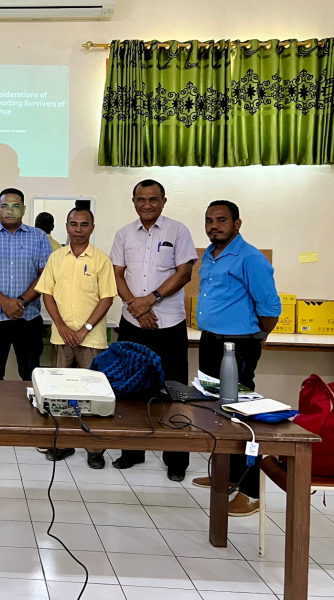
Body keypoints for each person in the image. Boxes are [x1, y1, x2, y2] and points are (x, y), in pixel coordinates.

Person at [190, 200, 280, 516]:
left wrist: (255, 340)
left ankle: (252, 491)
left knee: (240, 415)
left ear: (237, 224)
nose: (214, 225)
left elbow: (270, 309)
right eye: (209, 220)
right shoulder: (211, 255)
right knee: (215, 410)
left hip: (237, 345)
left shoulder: (250, 258)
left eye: (221, 220)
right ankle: (227, 476)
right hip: (211, 340)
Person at [110, 180, 198, 482]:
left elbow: (185, 272)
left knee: (174, 392)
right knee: (130, 390)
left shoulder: (178, 231)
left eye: (153, 199)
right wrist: (136, 306)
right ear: (133, 201)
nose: (147, 205)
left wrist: (151, 300)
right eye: (141, 199)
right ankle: (132, 452)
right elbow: (117, 274)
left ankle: (176, 459)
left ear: (163, 201)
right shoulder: (123, 233)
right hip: (133, 323)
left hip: (168, 324)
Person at [35, 208, 117, 469]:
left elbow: (107, 297)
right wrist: (61, 326)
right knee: (62, 395)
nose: (78, 228)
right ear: (66, 227)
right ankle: (64, 442)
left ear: (92, 228)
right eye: (73, 224)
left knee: (94, 395)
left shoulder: (101, 260)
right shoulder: (56, 258)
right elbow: (47, 294)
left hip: (91, 340)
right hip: (61, 338)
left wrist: (85, 328)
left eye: (84, 224)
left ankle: (95, 448)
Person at [0, 188, 52, 381]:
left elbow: (45, 275)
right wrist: (4, 302)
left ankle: (32, 412)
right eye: (5, 206)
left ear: (23, 209)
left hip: (29, 317)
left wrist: (21, 301)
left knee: (31, 374)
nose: (10, 210)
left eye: (15, 206)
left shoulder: (39, 237)